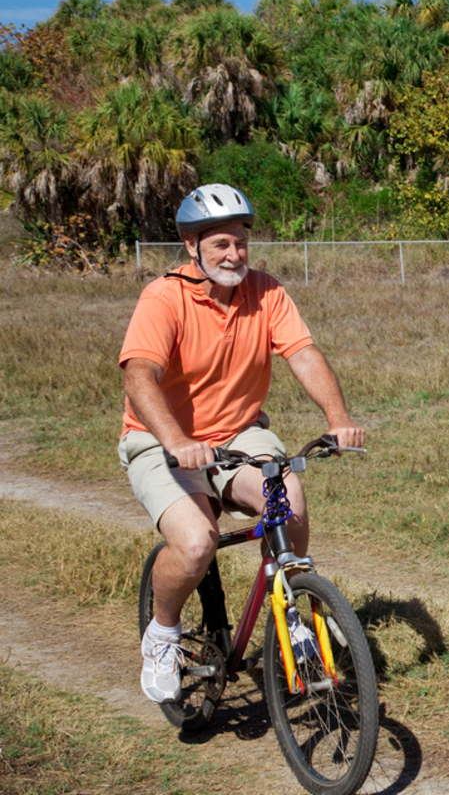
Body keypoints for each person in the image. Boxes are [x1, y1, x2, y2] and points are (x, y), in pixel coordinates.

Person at [118, 183, 365, 703]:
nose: (234, 255)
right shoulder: (164, 297)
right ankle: (162, 634)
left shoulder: (266, 291)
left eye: (241, 242)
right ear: (192, 246)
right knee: (195, 545)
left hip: (237, 432)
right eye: (220, 245)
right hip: (162, 439)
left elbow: (303, 353)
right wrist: (178, 440)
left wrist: (339, 418)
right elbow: (139, 375)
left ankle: (292, 612)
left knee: (289, 503)